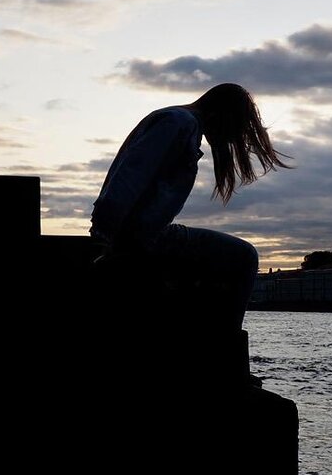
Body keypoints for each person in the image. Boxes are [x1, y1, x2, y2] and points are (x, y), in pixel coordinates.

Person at [90, 83, 289, 332]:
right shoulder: (179, 123)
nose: (229, 138)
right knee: (244, 256)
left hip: (137, 236)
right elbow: (128, 179)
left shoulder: (178, 122)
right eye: (233, 129)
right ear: (220, 115)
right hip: (142, 238)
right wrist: (105, 241)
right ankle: (225, 343)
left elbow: (129, 178)